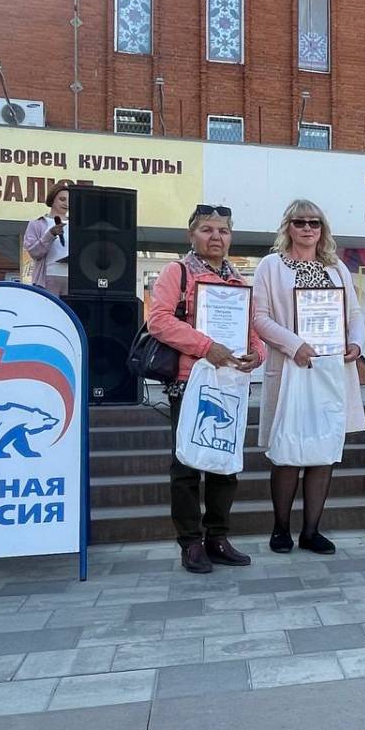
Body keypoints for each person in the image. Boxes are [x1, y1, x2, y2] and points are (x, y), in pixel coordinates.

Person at [147, 204, 265, 574]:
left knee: (224, 465)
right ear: (191, 235)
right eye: (207, 230)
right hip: (189, 380)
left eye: (224, 231)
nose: (216, 237)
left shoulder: (239, 281)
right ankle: (190, 542)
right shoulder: (176, 272)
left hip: (230, 383)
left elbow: (253, 332)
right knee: (186, 465)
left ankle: (217, 536)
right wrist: (205, 347)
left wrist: (256, 355)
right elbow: (159, 321)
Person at [253, 199, 365, 556]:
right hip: (292, 368)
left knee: (323, 453)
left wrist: (356, 344)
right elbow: (259, 317)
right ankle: (281, 528)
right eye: (299, 222)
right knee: (287, 451)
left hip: (331, 370)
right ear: (288, 227)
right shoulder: (271, 266)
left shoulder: (337, 268)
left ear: (322, 229)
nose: (307, 228)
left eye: (314, 223)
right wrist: (294, 344)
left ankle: (312, 530)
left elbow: (356, 314)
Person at [22, 185, 70, 296]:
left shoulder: (77, 225)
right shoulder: (36, 224)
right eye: (62, 199)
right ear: (52, 199)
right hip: (47, 277)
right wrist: (50, 234)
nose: (66, 203)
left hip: (73, 279)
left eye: (69, 200)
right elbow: (34, 253)